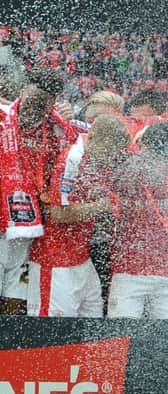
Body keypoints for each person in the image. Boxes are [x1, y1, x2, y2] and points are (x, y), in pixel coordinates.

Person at [27, 115, 129, 317]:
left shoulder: (100, 154)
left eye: (113, 154)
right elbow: (58, 213)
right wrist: (103, 206)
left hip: (82, 258)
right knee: (54, 332)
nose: (109, 158)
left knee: (93, 322)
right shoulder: (72, 159)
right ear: (91, 139)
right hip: (55, 261)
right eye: (107, 152)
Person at [0, 67, 78, 315]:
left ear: (52, 105)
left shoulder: (59, 130)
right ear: (23, 91)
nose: (34, 110)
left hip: (29, 229)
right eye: (32, 102)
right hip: (3, 221)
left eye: (43, 105)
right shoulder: (3, 117)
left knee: (16, 300)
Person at [108, 123, 168, 319]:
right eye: (159, 155)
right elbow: (115, 182)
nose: (164, 162)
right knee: (120, 336)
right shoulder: (129, 170)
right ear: (146, 150)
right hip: (129, 272)